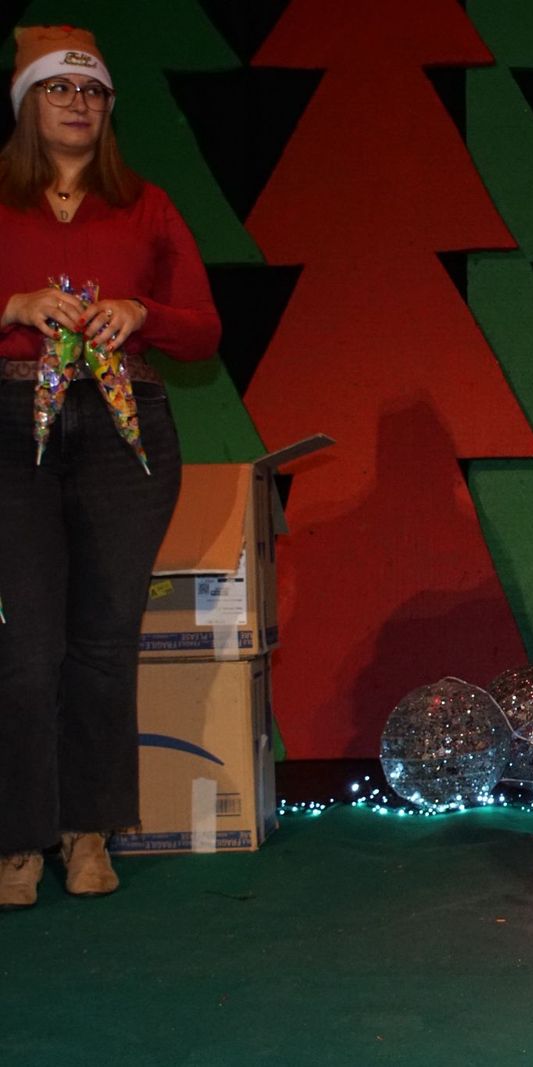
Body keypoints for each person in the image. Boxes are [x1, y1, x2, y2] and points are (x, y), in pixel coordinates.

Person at [0, 26, 221, 909]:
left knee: (102, 641)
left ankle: (87, 829)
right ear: (26, 104)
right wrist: (12, 305)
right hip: (13, 426)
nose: (79, 106)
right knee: (26, 647)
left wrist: (141, 311)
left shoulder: (145, 205)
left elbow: (203, 328)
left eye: (93, 93)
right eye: (60, 91)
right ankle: (18, 838)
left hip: (126, 432)